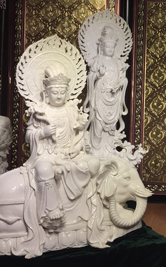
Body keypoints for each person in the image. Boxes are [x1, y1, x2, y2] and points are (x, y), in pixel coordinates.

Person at [24, 64, 100, 231]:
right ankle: (52, 209)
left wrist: (77, 147)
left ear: (67, 92)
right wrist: (42, 132)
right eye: (55, 92)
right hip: (48, 154)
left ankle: (85, 210)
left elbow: (81, 135)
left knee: (94, 163)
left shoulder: (71, 110)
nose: (58, 96)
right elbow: (28, 136)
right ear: (46, 93)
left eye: (62, 92)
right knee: (44, 169)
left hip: (70, 153)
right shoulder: (40, 111)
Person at [85, 26, 128, 158]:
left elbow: (124, 79)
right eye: (107, 47)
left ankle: (109, 153)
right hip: (100, 96)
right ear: (101, 47)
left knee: (111, 127)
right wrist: (98, 75)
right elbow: (90, 78)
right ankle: (95, 152)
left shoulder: (118, 62)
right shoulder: (97, 60)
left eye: (112, 47)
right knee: (98, 125)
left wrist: (120, 84)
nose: (109, 49)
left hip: (114, 98)